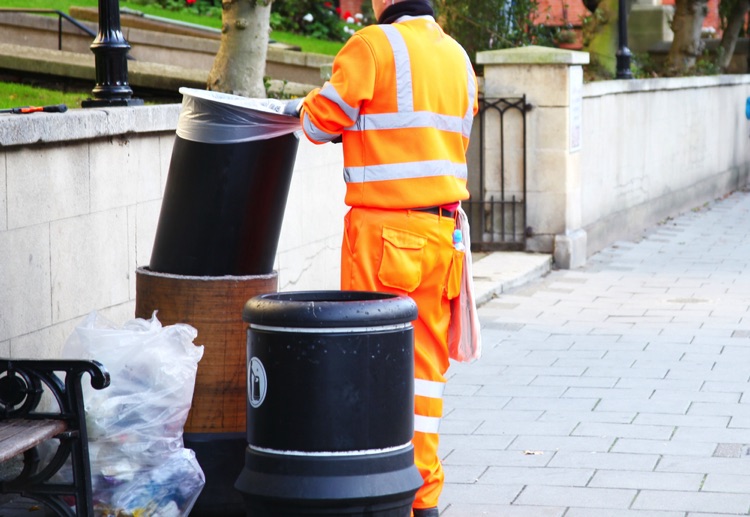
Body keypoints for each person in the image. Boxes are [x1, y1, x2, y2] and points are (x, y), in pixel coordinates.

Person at [285, 0, 478, 514]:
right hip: (442, 236)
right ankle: (424, 498)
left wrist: (298, 108)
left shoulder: (373, 45)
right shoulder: (459, 57)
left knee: (370, 366)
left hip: (386, 235)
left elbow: (320, 124)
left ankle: (380, 490)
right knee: (425, 373)